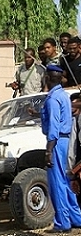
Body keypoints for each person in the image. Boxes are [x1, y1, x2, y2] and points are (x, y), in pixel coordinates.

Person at [41, 65, 81, 232]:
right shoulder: (63, 95)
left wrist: (49, 150)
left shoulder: (52, 99)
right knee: (67, 181)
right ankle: (76, 218)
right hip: (66, 142)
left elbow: (53, 126)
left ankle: (62, 223)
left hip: (57, 144)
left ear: (47, 78)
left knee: (57, 184)